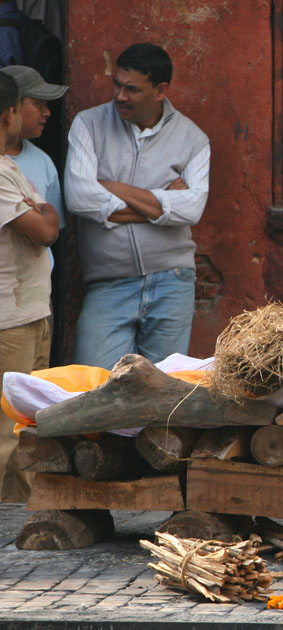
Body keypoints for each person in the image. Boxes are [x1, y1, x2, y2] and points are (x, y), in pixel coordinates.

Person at [64, 42, 210, 370]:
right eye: (117, 84)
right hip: (108, 282)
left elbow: (192, 210)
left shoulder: (193, 138)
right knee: (95, 389)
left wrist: (113, 188)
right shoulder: (88, 125)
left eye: (132, 89)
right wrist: (161, 203)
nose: (120, 96)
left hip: (173, 282)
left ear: (161, 90)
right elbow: (79, 198)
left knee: (163, 396)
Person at [0, 70, 58, 501]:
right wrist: (42, 213)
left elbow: (45, 219)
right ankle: (11, 515)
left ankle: (21, 509)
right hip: (10, 320)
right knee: (9, 430)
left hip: (33, 313)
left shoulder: (11, 166)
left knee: (29, 422)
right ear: (9, 114)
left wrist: (43, 214)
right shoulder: (1, 177)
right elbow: (45, 228)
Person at [0, 65, 66, 261]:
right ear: (12, 110)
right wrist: (44, 211)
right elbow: (47, 231)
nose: (47, 113)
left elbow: (55, 231)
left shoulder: (43, 161)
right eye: (39, 104)